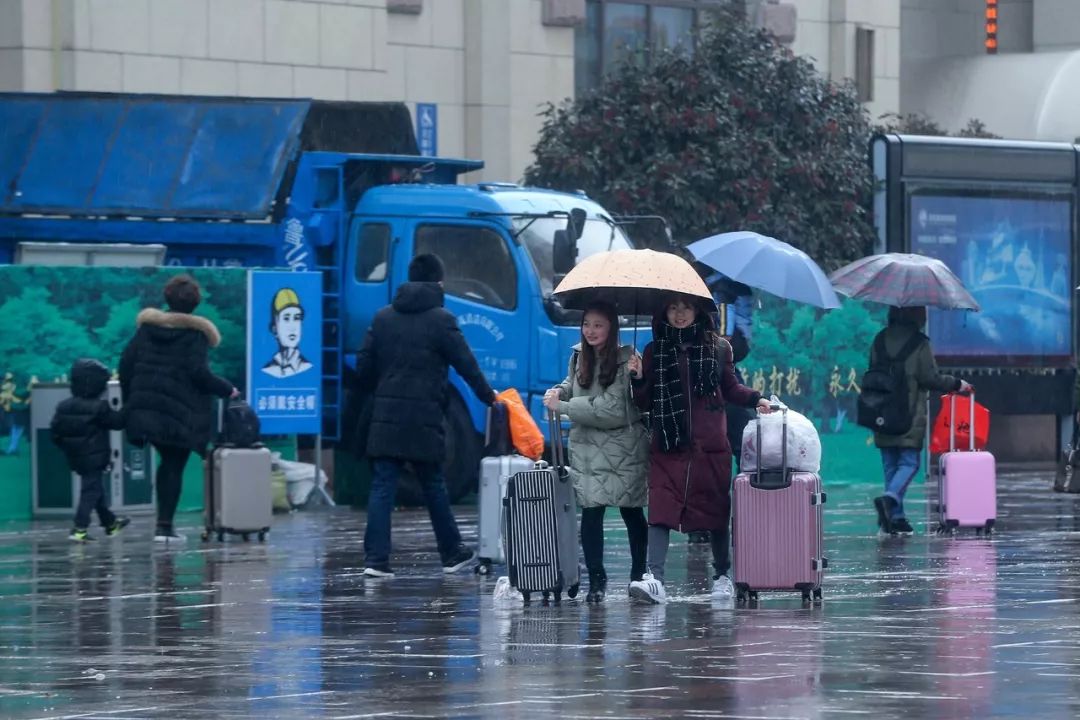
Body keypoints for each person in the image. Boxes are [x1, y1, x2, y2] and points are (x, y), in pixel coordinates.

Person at [354, 253, 496, 578]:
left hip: (386, 416)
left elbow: (363, 368)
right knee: (433, 483)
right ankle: (451, 553)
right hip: (424, 417)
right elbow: (466, 365)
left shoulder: (382, 318)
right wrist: (489, 398)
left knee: (382, 486)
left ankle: (375, 561)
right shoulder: (442, 320)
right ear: (439, 282)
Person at [627, 294, 771, 604]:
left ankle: (722, 575)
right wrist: (637, 377)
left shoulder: (719, 348)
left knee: (715, 512)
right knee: (660, 511)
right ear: (664, 311)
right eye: (673, 307)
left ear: (698, 311)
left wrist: (755, 398)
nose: (680, 314)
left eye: (686, 307)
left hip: (710, 447)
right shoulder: (655, 350)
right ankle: (655, 579)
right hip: (668, 444)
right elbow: (644, 402)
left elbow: (731, 387)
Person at [119, 274, 239, 545]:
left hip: (147, 410)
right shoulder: (195, 335)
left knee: (166, 463)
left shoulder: (147, 329)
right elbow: (198, 373)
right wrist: (226, 388)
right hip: (179, 414)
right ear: (195, 304)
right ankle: (164, 527)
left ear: (167, 298)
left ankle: (164, 524)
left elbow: (125, 365)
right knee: (173, 464)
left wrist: (132, 402)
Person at [543, 300, 649, 603]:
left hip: (622, 448)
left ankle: (638, 576)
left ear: (612, 327)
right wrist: (560, 391)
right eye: (587, 324)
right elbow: (572, 385)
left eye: (598, 325)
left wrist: (562, 407)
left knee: (631, 512)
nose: (591, 331)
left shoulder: (627, 359)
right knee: (591, 513)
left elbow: (611, 410)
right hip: (588, 448)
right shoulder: (578, 356)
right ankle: (596, 580)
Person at [870, 306, 971, 535]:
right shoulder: (920, 343)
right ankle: (890, 499)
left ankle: (896, 518)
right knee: (909, 463)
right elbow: (930, 378)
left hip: (880, 411)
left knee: (891, 465)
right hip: (908, 414)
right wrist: (957, 384)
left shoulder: (879, 339)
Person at [50, 358, 130, 542]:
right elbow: (117, 423)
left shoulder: (64, 406)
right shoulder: (99, 406)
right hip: (95, 457)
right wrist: (129, 407)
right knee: (91, 491)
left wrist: (70, 448)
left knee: (95, 488)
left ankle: (110, 524)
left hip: (75, 457)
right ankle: (80, 528)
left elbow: (55, 433)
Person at [262, 287, 314, 378]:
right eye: (286, 318)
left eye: (297, 318)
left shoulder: (308, 367)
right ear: (274, 329)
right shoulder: (267, 370)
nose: (293, 327)